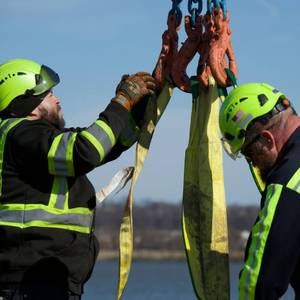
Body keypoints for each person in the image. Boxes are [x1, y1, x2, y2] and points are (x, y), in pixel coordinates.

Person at [0, 59, 157, 300]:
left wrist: (131, 113)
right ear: (28, 104)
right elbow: (86, 151)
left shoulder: (35, 143)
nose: (57, 99)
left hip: (41, 285)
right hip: (28, 286)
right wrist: (121, 102)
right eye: (49, 94)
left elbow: (103, 146)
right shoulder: (22, 134)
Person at [219, 83, 300, 299]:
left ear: (266, 139)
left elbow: (259, 282)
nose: (253, 163)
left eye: (249, 153)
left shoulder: (288, 181)